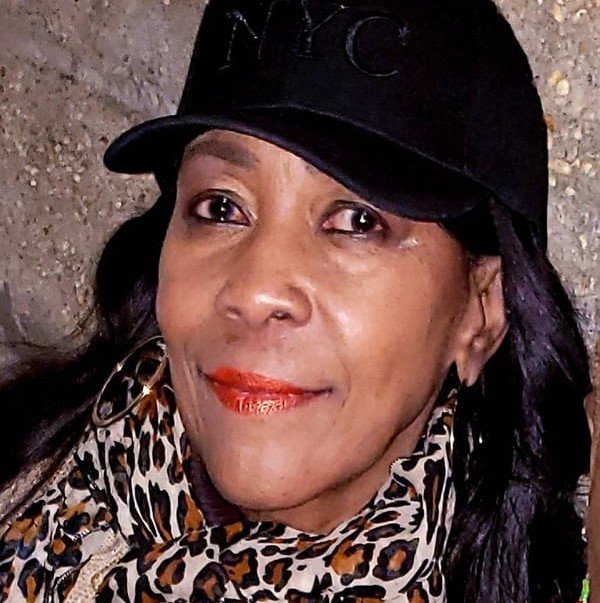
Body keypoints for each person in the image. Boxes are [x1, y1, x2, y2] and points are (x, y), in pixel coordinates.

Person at [0, 0, 593, 601]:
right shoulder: (29, 477)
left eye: (357, 221)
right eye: (221, 207)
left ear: (481, 313)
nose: (256, 291)